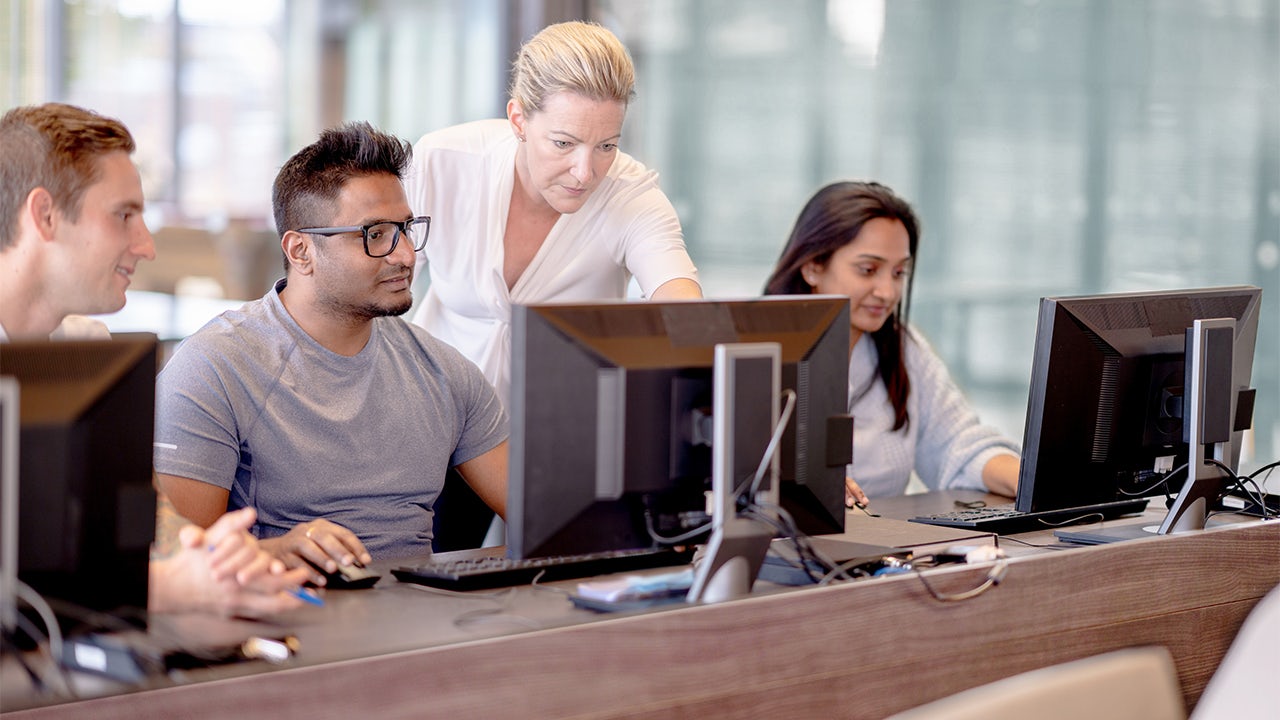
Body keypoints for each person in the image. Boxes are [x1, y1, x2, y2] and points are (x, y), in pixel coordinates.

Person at [153, 121, 508, 581]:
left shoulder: (445, 371)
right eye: (376, 234)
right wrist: (276, 552)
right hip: (290, 619)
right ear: (301, 251)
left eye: (406, 229)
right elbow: (178, 564)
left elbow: (551, 520)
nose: (404, 255)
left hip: (424, 623)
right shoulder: (213, 368)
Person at [0, 102, 308, 617]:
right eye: (124, 215)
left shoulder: (87, 350)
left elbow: (148, 522)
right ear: (45, 215)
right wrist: (165, 590)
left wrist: (218, 557)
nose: (146, 246)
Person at [404, 20, 701, 549]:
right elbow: (378, 283)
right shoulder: (443, 161)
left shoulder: (631, 196)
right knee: (424, 575)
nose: (585, 172)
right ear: (518, 117)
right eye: (563, 143)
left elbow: (685, 314)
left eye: (607, 145)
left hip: (562, 434)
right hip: (434, 422)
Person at [763, 181, 1020, 505]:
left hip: (886, 547)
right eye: (868, 270)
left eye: (899, 273)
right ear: (814, 266)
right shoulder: (758, 354)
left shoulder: (903, 348)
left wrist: (1029, 480)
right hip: (782, 548)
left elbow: (957, 444)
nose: (887, 291)